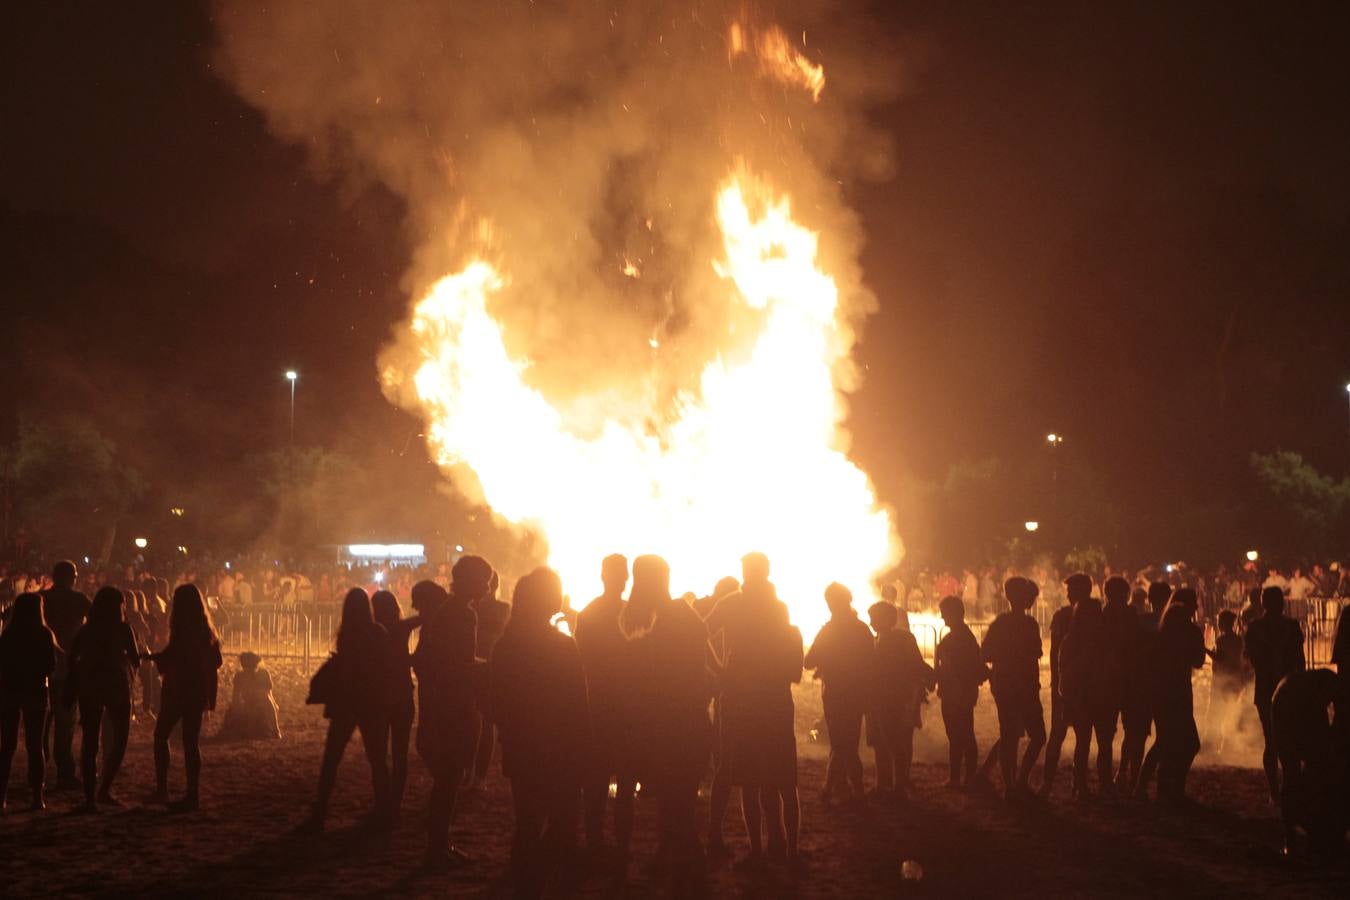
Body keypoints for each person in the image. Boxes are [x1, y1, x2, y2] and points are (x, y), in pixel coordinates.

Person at [490, 567, 588, 899]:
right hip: (560, 748)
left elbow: (495, 699)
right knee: (562, 822)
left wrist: (510, 731)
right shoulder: (561, 646)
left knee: (528, 821)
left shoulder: (508, 644)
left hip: (522, 748)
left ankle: (525, 881)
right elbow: (578, 704)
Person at [703, 553, 803, 869]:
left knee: (742, 773)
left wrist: (719, 670)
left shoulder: (734, 604)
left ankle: (756, 845)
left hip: (742, 699)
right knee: (775, 775)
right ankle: (779, 843)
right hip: (771, 700)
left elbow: (699, 633)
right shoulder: (778, 608)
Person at [624, 555, 711, 886]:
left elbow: (653, 665)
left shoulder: (669, 622)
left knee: (676, 805)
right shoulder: (677, 616)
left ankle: (689, 869)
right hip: (684, 724)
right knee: (676, 803)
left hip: (678, 727)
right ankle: (672, 861)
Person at [413, 558, 488, 868]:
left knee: (446, 780)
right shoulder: (463, 615)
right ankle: (437, 848)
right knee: (448, 779)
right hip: (454, 706)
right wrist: (492, 668)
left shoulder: (446, 613)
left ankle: (438, 845)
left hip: (441, 703)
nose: (486, 588)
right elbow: (459, 664)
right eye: (483, 581)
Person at [306, 587, 393, 831]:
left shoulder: (347, 634)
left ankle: (320, 810)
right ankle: (384, 809)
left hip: (347, 702)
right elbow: (384, 668)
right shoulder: (377, 633)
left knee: (332, 758)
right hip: (371, 703)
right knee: (377, 759)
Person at [574, 554, 635, 862]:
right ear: (624, 578)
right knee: (625, 783)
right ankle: (621, 845)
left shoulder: (589, 615)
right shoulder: (632, 615)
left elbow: (579, 662)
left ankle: (596, 841)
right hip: (624, 708)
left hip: (597, 706)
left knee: (596, 782)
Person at [145, 584, 223, 811]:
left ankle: (163, 789)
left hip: (178, 689)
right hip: (196, 690)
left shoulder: (182, 629)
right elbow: (216, 661)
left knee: (161, 736)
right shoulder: (205, 630)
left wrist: (158, 659)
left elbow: (175, 655)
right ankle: (192, 793)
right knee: (191, 742)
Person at [66, 586, 141, 812]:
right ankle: (104, 789)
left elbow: (72, 656)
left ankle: (89, 798)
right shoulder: (123, 629)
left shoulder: (87, 630)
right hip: (117, 685)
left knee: (90, 742)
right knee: (120, 738)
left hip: (91, 684)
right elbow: (135, 659)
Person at [804, 582, 875, 804]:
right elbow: (871, 661)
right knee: (850, 741)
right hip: (857, 692)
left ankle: (833, 787)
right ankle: (850, 787)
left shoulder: (829, 630)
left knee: (839, 742)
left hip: (835, 692)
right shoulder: (862, 629)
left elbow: (809, 661)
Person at [980, 576, 1045, 800]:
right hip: (1017, 685)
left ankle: (1012, 782)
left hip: (1012, 684)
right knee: (1023, 735)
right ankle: (1014, 783)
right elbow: (1035, 652)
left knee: (1013, 734)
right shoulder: (1026, 624)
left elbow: (986, 653)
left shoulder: (1006, 623)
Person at [1243, 585, 1306, 805]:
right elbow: (1300, 660)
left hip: (1266, 689)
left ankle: (1275, 792)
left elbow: (1251, 659)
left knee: (1272, 741)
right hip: (1288, 688)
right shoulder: (1291, 626)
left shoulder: (1255, 628)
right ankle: (1290, 788)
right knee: (1292, 740)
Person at [1145, 589, 1206, 804]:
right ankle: (1172, 787)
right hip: (1178, 692)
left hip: (1161, 692)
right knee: (1187, 742)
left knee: (1166, 741)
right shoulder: (1190, 631)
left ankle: (1153, 787)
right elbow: (1198, 661)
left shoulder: (1162, 631)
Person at [695, 574, 740, 856]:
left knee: (714, 730)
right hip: (714, 679)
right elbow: (700, 636)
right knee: (711, 730)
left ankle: (712, 764)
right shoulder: (725, 607)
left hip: (717, 679)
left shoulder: (722, 606)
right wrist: (719, 668)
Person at [867, 606, 933, 795]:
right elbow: (918, 664)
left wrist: (928, 677)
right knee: (890, 741)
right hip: (890, 697)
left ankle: (896, 784)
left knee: (895, 741)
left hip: (896, 697)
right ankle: (890, 782)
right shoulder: (883, 640)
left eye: (873, 618)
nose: (871, 622)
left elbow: (915, 664)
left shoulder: (896, 640)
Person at [0, 593, 57, 812]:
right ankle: (37, 796)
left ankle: (2, 795)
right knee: (35, 745)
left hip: (11, 690)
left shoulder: (9, 634)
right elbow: (50, 665)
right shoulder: (44, 633)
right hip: (36, 690)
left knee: (7, 746)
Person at [1058, 590, 1113, 800]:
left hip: (1099, 696)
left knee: (1102, 743)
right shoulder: (1072, 641)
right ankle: (1081, 784)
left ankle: (1103, 783)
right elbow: (1065, 672)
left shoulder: (1099, 640)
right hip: (1083, 697)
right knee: (1085, 743)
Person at [41, 560, 90, 790]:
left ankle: (38, 766)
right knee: (65, 722)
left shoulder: (41, 599)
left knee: (40, 721)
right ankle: (65, 772)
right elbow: (97, 624)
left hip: (40, 669)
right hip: (68, 667)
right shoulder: (78, 600)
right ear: (73, 577)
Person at [372, 589, 418, 820]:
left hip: (379, 699)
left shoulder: (371, 633)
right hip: (402, 697)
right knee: (400, 754)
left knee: (378, 755)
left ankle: (382, 801)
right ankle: (396, 803)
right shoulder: (401, 628)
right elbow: (423, 617)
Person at [1040, 573, 1085, 797]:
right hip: (1084, 684)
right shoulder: (1096, 617)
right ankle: (1079, 784)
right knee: (1082, 735)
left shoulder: (1062, 617)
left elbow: (1054, 651)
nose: (1066, 594)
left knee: (1057, 735)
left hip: (1068, 684)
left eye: (1069, 590)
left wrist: (1056, 681)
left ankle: (1048, 784)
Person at [934, 596, 983, 789]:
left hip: (958, 693)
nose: (942, 617)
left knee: (960, 736)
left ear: (954, 614)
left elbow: (962, 668)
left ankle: (962, 778)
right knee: (960, 735)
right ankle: (963, 777)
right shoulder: (960, 637)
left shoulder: (959, 639)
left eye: (945, 613)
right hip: (957, 692)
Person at [469, 571, 510, 789]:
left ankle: (473, 773)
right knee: (485, 724)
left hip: (478, 668)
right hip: (490, 668)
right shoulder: (504, 609)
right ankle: (478, 776)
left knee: (479, 723)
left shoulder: (473, 609)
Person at [1203, 610, 1244, 752]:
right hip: (1235, 680)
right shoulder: (1238, 640)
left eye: (1220, 622)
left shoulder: (1221, 640)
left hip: (1222, 680)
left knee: (1216, 713)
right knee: (1230, 712)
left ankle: (1214, 744)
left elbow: (1219, 658)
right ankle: (1229, 745)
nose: (1218, 624)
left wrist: (1205, 650)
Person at [219, 651, 281, 740]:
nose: (249, 671)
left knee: (268, 703)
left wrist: (274, 705)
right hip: (247, 702)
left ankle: (276, 729)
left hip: (262, 702)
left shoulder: (263, 674)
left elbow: (268, 693)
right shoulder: (239, 676)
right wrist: (236, 707)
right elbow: (235, 695)